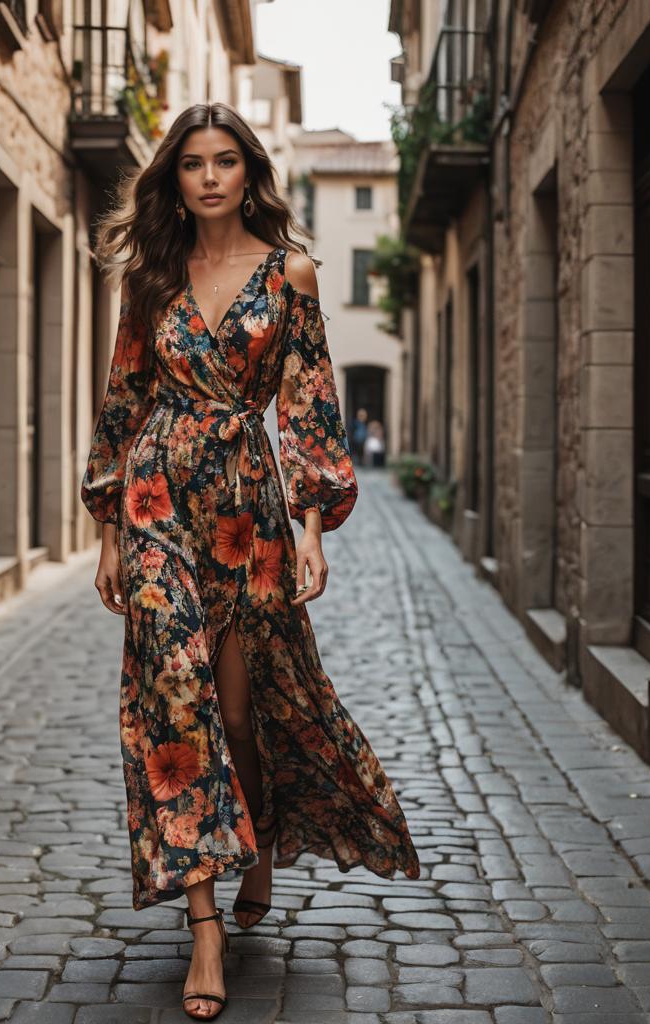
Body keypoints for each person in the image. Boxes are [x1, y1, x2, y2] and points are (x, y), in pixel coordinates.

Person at [80, 102, 421, 1021]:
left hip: (247, 510)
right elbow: (122, 402)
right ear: (176, 179)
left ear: (248, 172)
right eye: (192, 163)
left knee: (237, 709)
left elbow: (309, 405)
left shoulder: (293, 274)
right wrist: (110, 529)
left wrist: (311, 526)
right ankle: (202, 929)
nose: (210, 177)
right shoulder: (149, 278)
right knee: (177, 701)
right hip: (158, 500)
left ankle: (258, 837)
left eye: (226, 161)